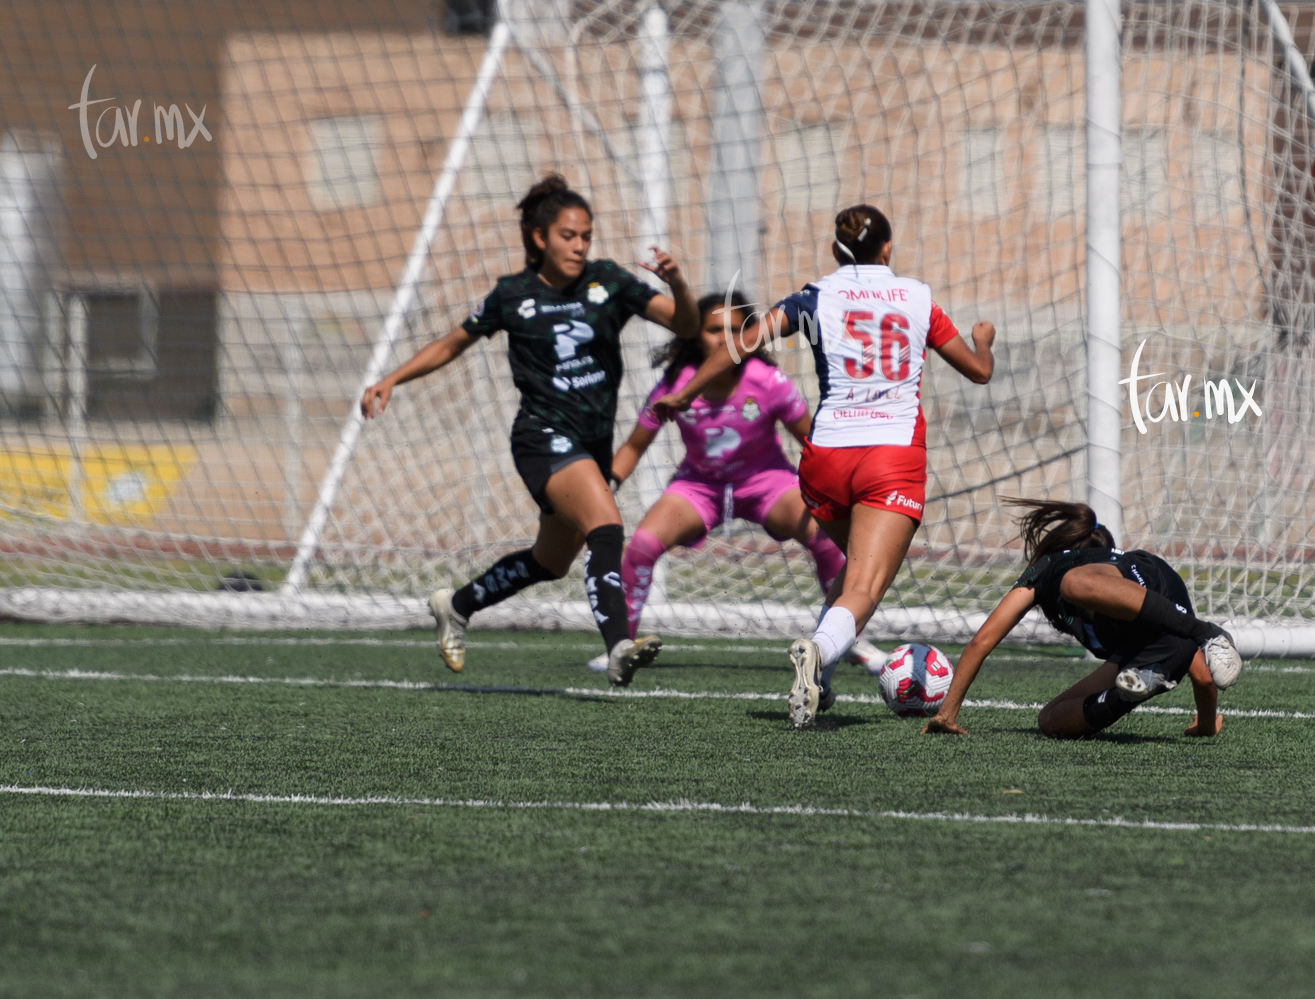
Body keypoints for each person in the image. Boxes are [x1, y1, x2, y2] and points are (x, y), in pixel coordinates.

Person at [653, 203, 995, 729]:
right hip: (890, 456)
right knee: (866, 587)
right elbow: (977, 371)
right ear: (887, 248)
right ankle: (816, 651)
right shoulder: (917, 297)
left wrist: (684, 393)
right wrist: (985, 341)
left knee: (853, 570)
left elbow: (743, 344)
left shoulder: (816, 296)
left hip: (824, 457)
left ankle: (822, 680)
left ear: (837, 251)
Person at [361, 174, 698, 686]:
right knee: (605, 526)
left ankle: (456, 605)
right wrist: (393, 377)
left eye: (586, 235)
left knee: (551, 561)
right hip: (541, 438)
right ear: (540, 237)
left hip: (590, 442)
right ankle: (618, 647)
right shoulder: (512, 294)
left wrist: (677, 283)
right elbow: (452, 344)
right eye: (569, 235)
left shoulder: (610, 282)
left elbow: (688, 327)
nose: (580, 246)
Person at [596, 291, 883, 673]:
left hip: (767, 482)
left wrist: (848, 487)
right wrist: (604, 489)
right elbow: (633, 446)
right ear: (697, 336)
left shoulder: (768, 382)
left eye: (735, 330)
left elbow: (814, 443)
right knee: (642, 546)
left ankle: (846, 637)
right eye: (714, 330)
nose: (724, 339)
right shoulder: (675, 385)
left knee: (826, 538)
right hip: (699, 487)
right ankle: (621, 648)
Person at [922, 498, 1243, 739]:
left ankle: (1207, 632)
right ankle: (1126, 692)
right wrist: (1205, 724)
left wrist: (947, 713)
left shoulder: (1054, 567)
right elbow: (1202, 676)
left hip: (1160, 593)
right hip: (1163, 649)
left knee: (1073, 583)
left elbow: (983, 639)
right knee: (1050, 720)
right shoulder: (1129, 600)